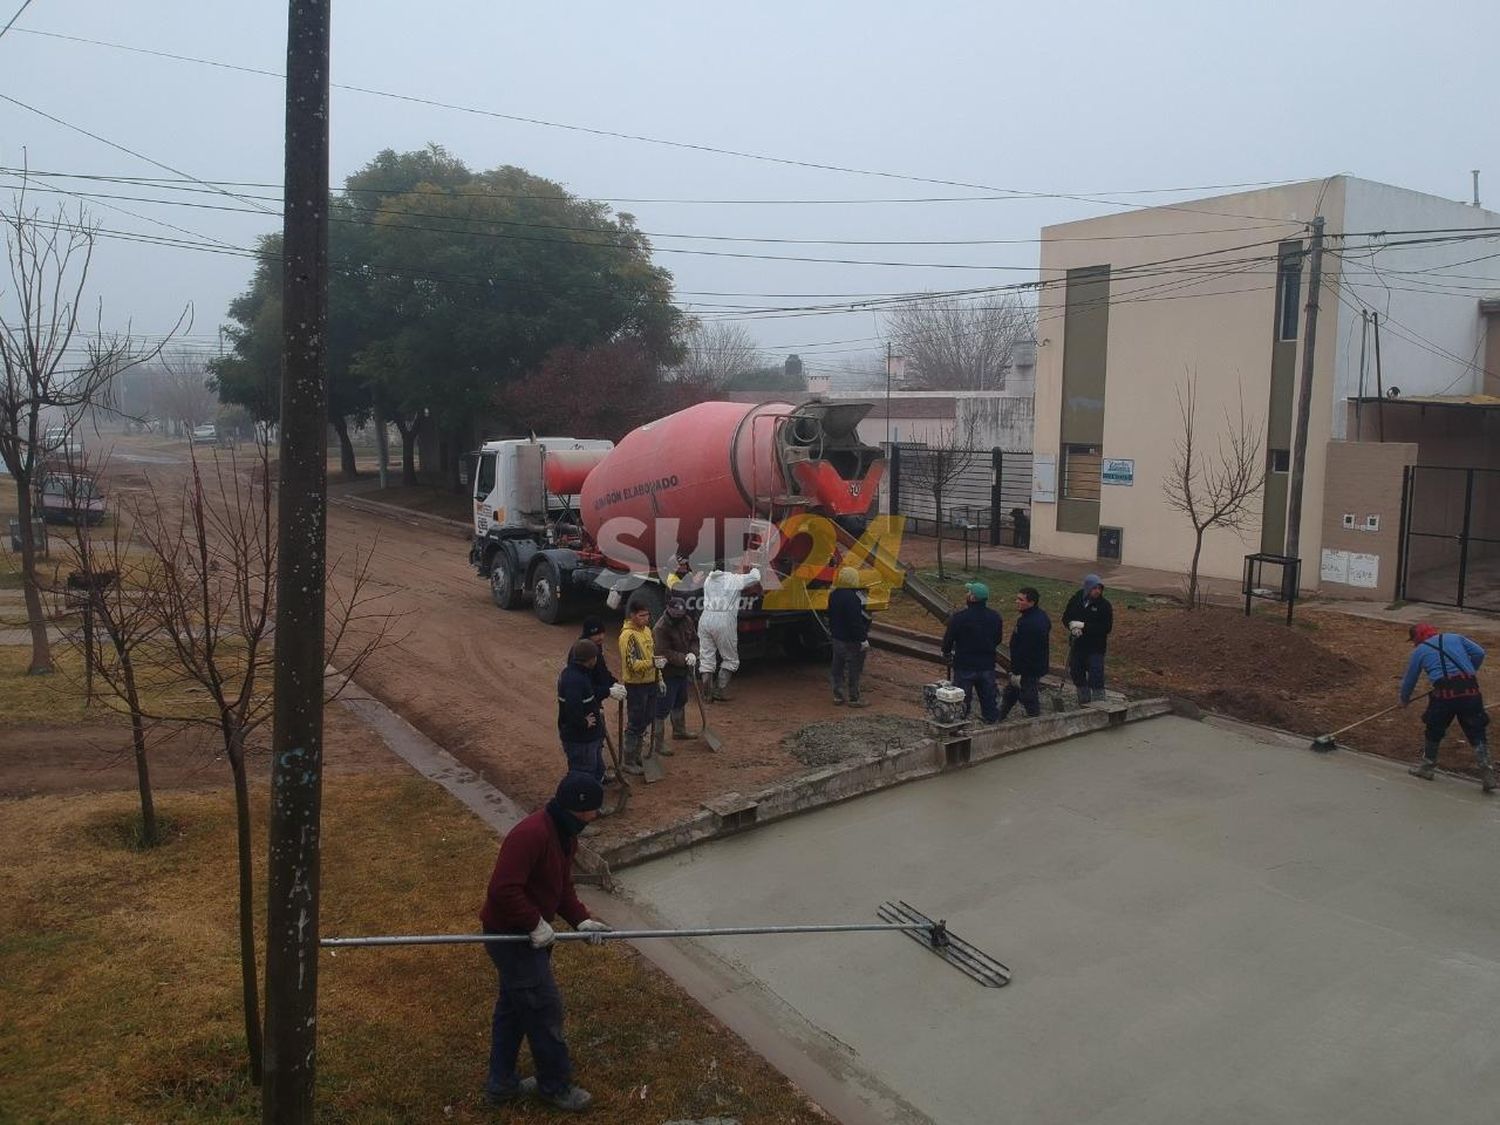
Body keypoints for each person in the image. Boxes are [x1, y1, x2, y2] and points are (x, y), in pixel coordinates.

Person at [478, 773, 612, 1111]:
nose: (596, 816)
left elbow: (561, 887)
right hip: (511, 937)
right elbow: (503, 889)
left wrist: (580, 919)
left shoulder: (565, 835)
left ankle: (501, 1084)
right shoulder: (531, 834)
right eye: (593, 810)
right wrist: (534, 923)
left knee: (513, 1009)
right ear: (577, 808)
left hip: (529, 936)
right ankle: (555, 1087)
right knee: (543, 1009)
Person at [1400, 623, 1494, 792]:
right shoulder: (1454, 637)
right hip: (1470, 691)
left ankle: (1427, 768)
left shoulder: (1419, 652)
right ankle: (1487, 773)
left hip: (1444, 696)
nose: (1415, 644)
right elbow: (1479, 653)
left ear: (1419, 637)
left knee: (1433, 730)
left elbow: (1410, 679)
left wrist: (1404, 699)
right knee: (1477, 730)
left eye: (1414, 640)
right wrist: (1470, 671)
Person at [941, 581, 1004, 724]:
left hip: (965, 665)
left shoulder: (960, 618)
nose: (966, 594)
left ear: (973, 598)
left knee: (961, 700)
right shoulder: (995, 617)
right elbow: (998, 639)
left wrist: (946, 653)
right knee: (989, 698)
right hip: (987, 665)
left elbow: (948, 639)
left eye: (968, 592)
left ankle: (959, 724)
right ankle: (991, 722)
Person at [698, 561, 762, 701]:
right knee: (731, 659)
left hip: (705, 618)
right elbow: (755, 578)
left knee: (706, 658)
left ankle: (706, 694)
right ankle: (719, 691)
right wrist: (755, 568)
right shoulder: (733, 579)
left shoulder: (709, 579)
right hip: (724, 620)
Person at [556, 639, 608, 790]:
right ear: (590, 659)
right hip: (580, 740)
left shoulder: (577, 673)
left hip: (589, 738)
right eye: (595, 657)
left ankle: (593, 798)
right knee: (584, 775)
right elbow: (572, 709)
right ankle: (586, 807)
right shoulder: (575, 680)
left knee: (597, 770)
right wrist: (583, 722)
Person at [618, 595, 660, 772]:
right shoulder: (627, 636)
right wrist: (652, 664)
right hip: (636, 685)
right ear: (632, 615)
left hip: (651, 682)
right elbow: (631, 665)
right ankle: (628, 760)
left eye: (647, 615)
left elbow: (653, 657)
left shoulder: (647, 631)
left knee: (647, 718)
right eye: (642, 615)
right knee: (635, 721)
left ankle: (637, 755)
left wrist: (660, 678)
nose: (645, 619)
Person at [580, 618, 628, 771]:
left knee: (598, 737)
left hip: (594, 700)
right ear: (587, 636)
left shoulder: (596, 649)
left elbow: (601, 672)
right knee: (590, 739)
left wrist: (612, 683)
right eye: (596, 634)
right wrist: (607, 691)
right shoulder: (582, 654)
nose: (600, 637)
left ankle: (598, 771)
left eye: (602, 633)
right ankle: (591, 773)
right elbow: (584, 687)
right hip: (583, 705)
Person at [999, 586, 1051, 721]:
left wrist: (1017, 671)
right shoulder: (1038, 616)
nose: (1017, 601)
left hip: (1028, 668)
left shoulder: (1031, 623)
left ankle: (1034, 720)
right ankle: (999, 715)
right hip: (1029, 666)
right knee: (1011, 692)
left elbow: (1026, 650)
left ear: (1031, 602)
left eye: (1021, 600)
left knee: (1028, 695)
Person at [653, 592, 699, 743]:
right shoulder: (661, 628)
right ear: (668, 608)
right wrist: (683, 658)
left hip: (683, 671)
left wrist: (693, 653)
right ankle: (658, 742)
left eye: (682, 612)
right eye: (676, 613)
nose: (679, 615)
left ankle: (679, 731)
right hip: (668, 673)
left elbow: (694, 639)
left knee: (681, 700)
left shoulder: (686, 620)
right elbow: (662, 651)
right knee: (663, 706)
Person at [1062, 574, 1113, 704]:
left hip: (1095, 647)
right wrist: (1072, 627)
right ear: (1087, 588)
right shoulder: (1077, 599)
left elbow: (1106, 628)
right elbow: (1066, 617)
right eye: (1094, 588)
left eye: (1099, 588)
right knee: (1076, 672)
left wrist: (1084, 626)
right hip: (1077, 645)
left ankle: (1099, 703)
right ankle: (1084, 700)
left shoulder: (1104, 606)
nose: (1097, 591)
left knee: (1096, 675)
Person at [828, 566, 871, 706]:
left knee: (837, 668)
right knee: (854, 669)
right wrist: (863, 639)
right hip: (851, 641)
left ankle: (838, 696)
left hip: (837, 638)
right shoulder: (853, 598)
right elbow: (855, 622)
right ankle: (854, 698)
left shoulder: (833, 595)